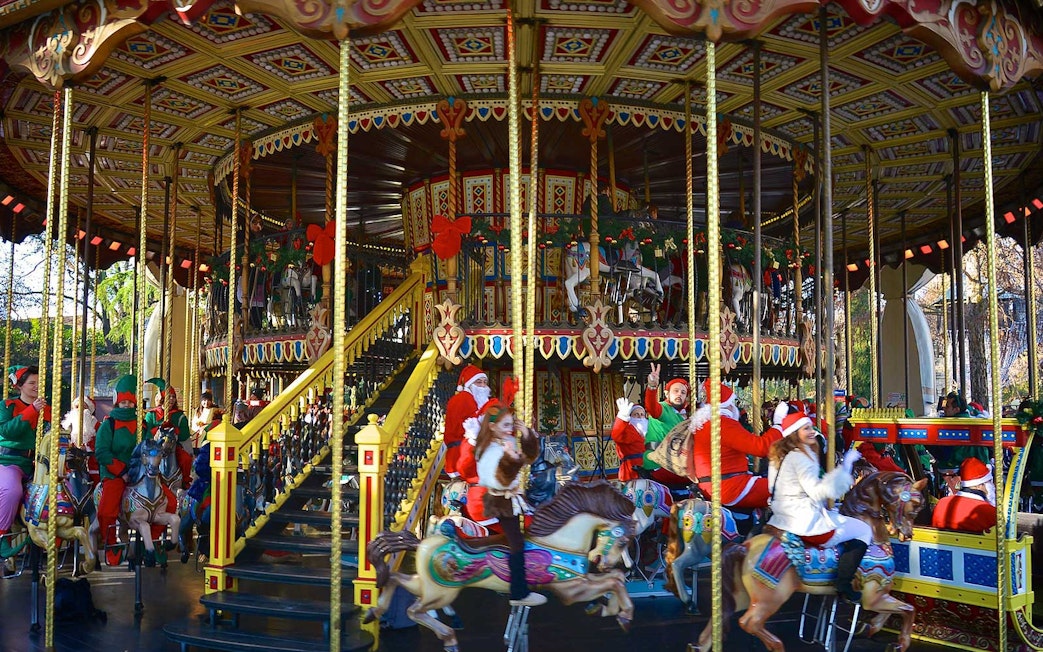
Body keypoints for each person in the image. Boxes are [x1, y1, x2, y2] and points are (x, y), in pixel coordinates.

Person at [767, 411, 870, 603]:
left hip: (785, 517)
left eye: (811, 427)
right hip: (805, 523)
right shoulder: (801, 458)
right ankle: (843, 584)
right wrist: (846, 467)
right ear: (794, 434)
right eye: (806, 428)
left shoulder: (788, 456)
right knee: (864, 530)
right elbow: (816, 492)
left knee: (838, 517)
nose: (812, 431)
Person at [475, 393, 546, 607]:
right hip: (501, 501)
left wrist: (526, 435)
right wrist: (510, 459)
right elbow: (500, 481)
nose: (509, 428)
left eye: (511, 424)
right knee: (516, 543)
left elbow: (529, 458)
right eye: (506, 424)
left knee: (521, 538)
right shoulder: (489, 450)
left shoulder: (504, 442)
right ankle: (518, 592)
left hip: (511, 499)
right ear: (493, 427)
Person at [690, 380, 781, 508]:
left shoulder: (704, 424)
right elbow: (761, 447)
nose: (734, 407)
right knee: (786, 488)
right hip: (730, 486)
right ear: (725, 405)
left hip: (713, 484)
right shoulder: (723, 423)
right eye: (731, 403)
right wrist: (778, 425)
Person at [0, 366, 48, 551]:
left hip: (38, 463)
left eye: (39, 382)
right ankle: (2, 536)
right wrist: (32, 411)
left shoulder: (46, 409)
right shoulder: (7, 406)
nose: (36, 386)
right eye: (32, 383)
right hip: (10, 461)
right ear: (20, 386)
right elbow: (7, 431)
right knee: (12, 490)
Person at [95, 374, 140, 566]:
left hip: (139, 471)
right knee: (107, 510)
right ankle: (111, 546)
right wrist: (122, 472)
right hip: (115, 473)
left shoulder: (141, 423)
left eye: (131, 402)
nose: (128, 406)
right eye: (124, 402)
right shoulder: (109, 424)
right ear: (117, 403)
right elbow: (102, 452)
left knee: (168, 501)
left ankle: (154, 544)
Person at [641, 362, 690, 485]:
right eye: (676, 391)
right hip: (660, 463)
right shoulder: (663, 409)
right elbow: (651, 407)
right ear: (667, 393)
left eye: (683, 393)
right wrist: (652, 386)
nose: (679, 394)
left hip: (674, 461)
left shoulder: (685, 416)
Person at [144, 378, 193, 493]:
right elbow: (147, 434)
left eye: (173, 397)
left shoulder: (179, 416)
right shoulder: (152, 415)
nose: (171, 399)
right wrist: (156, 432)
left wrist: (177, 432)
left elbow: (184, 437)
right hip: (155, 445)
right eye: (168, 396)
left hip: (173, 445)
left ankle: (185, 481)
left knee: (185, 459)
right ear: (162, 397)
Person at [443, 365, 491, 478]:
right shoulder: (465, 400)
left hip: (460, 453)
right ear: (470, 384)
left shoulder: (468, 399)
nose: (483, 386)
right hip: (463, 455)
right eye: (479, 382)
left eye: (485, 382)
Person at [930, 457, 997, 533]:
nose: (993, 486)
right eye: (989, 481)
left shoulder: (942, 503)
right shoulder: (989, 512)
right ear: (978, 485)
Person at [610, 397, 648, 482]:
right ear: (630, 416)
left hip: (649, 471)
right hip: (631, 472)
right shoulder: (627, 429)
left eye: (642, 414)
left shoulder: (649, 430)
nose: (640, 417)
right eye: (636, 414)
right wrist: (622, 417)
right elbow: (616, 434)